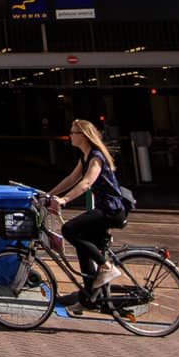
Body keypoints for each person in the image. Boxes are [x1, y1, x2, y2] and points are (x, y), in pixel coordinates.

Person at [47, 118, 129, 309]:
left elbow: (85, 183)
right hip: (103, 208)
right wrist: (50, 194)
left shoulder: (96, 157)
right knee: (83, 244)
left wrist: (64, 200)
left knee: (69, 229)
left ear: (83, 135)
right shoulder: (84, 156)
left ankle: (107, 267)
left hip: (111, 210)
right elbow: (71, 178)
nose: (70, 135)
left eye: (73, 132)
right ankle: (89, 298)